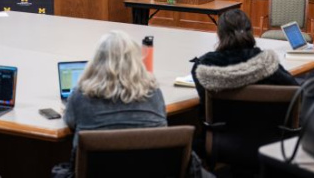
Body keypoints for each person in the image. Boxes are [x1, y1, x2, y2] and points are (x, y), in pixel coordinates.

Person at [59, 30, 213, 178]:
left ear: (96, 61)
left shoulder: (80, 95)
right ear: (136, 60)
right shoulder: (154, 93)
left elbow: (71, 122)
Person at [191, 9, 298, 123]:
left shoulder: (203, 66)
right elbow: (296, 92)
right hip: (270, 136)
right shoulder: (267, 63)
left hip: (220, 137)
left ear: (219, 35)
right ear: (251, 32)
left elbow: (205, 107)